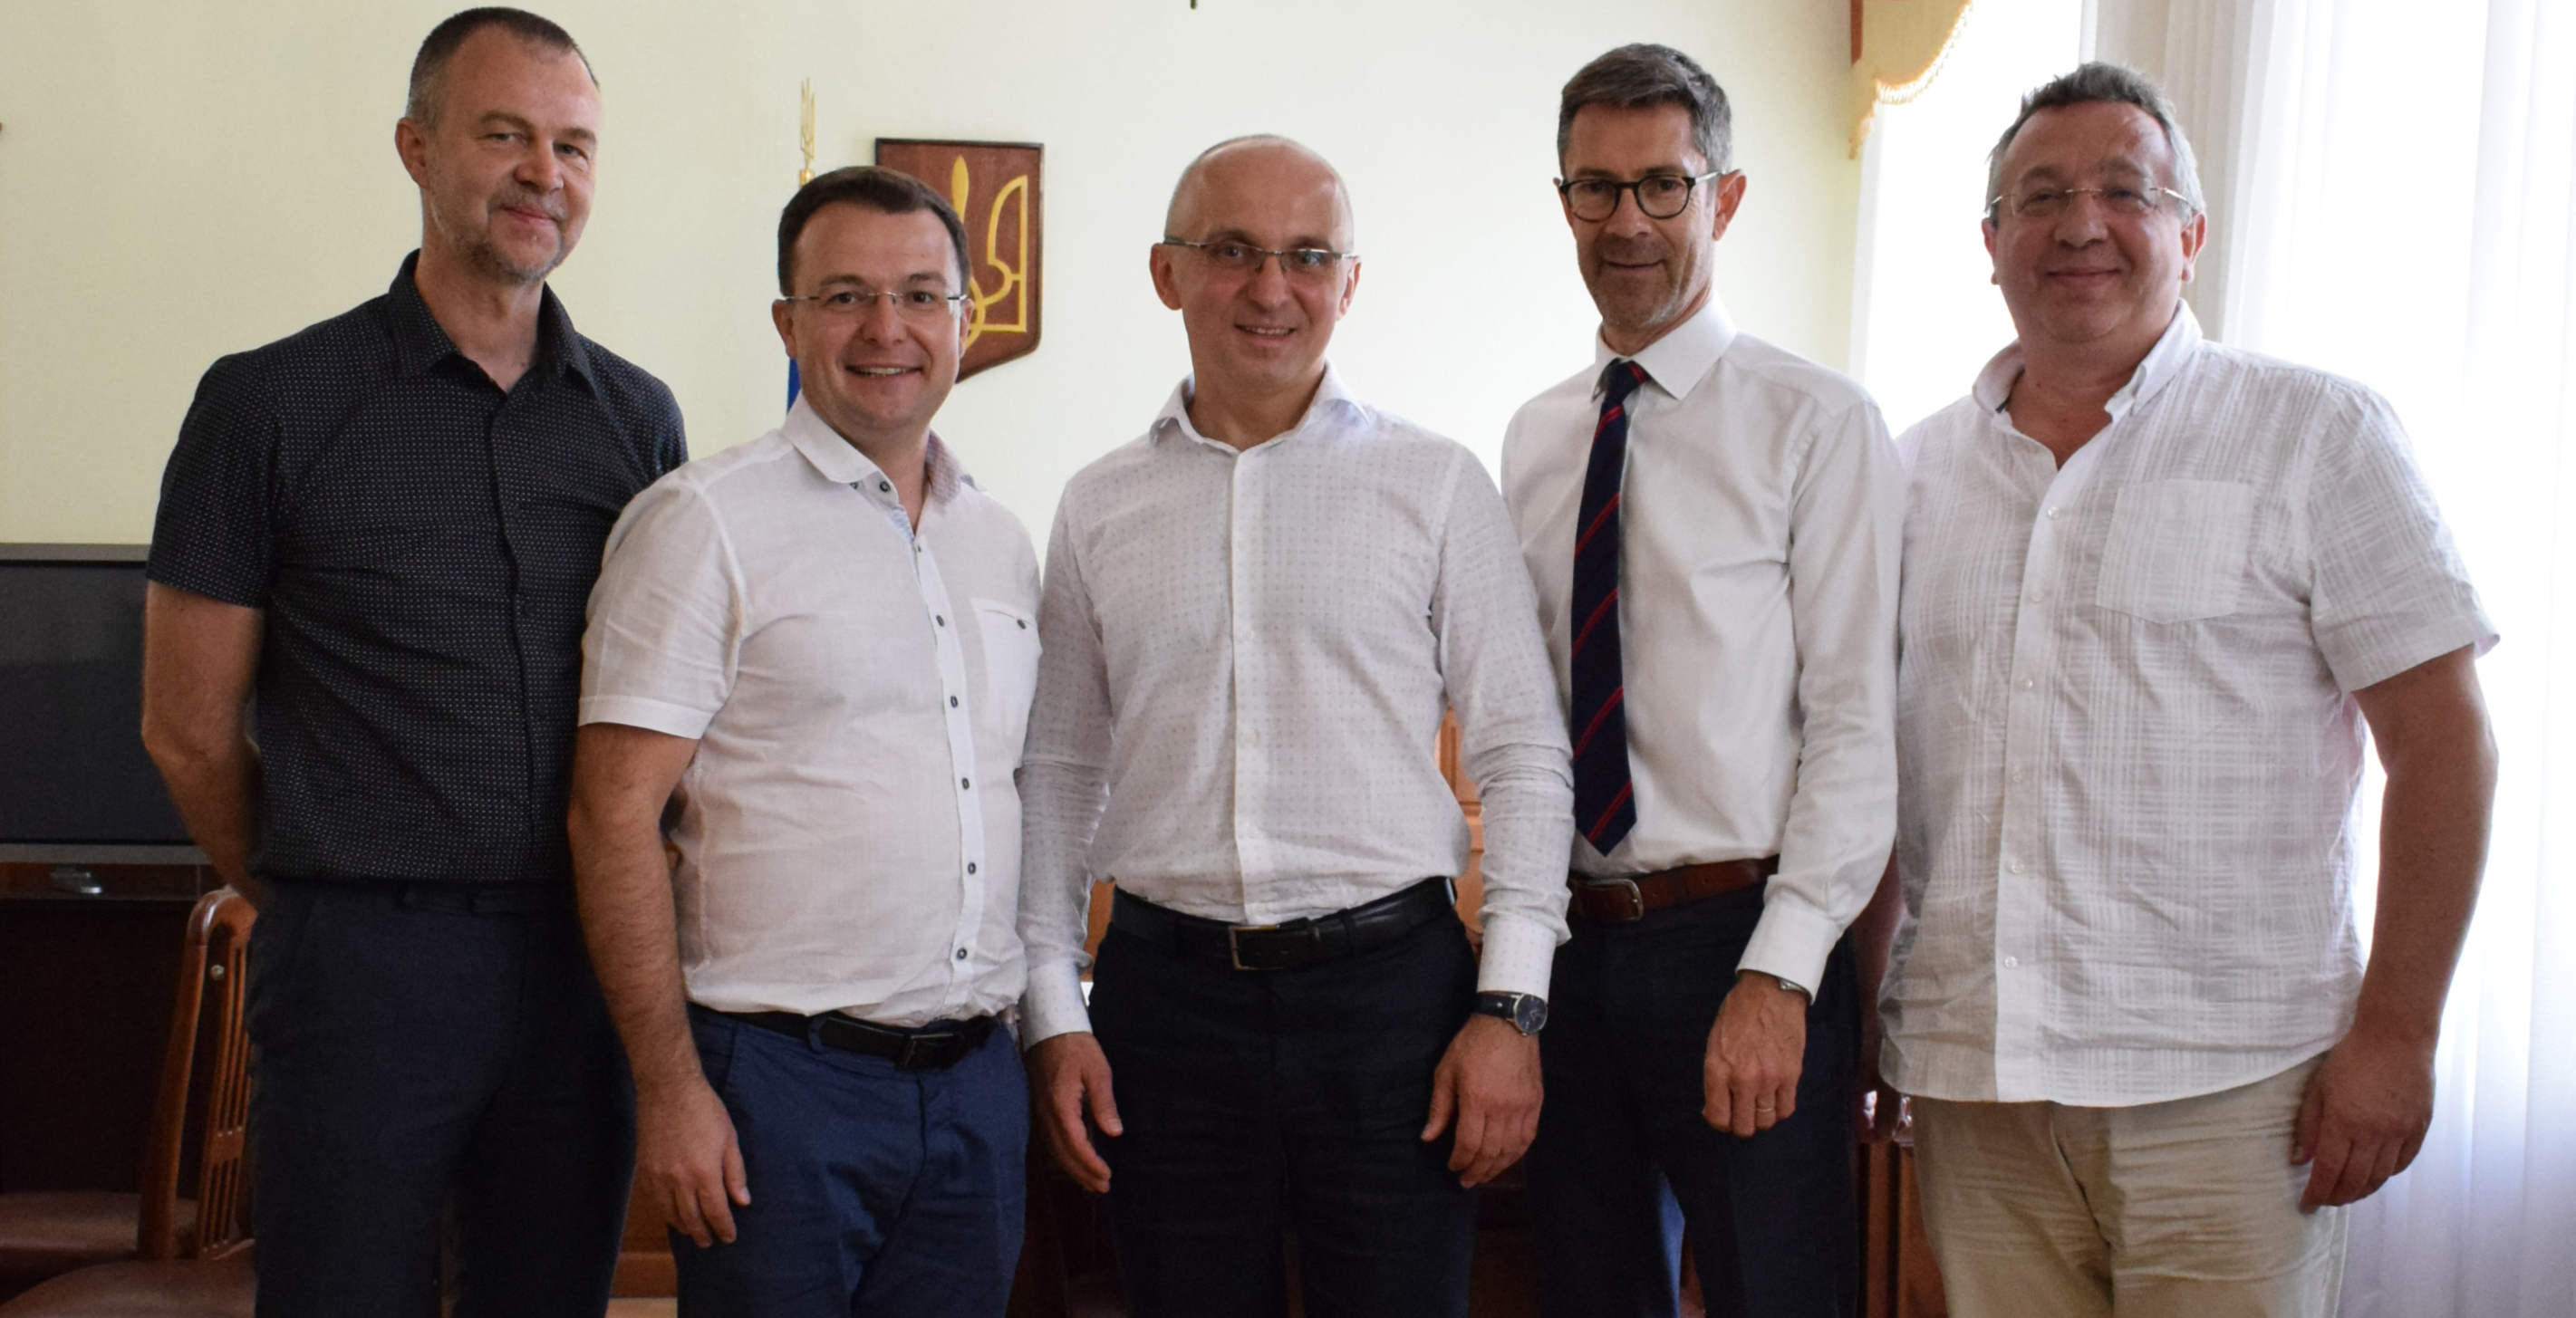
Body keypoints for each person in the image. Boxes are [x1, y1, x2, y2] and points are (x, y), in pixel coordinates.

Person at [1879, 63, 2498, 1317]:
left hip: (2235, 1089)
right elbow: (1879, 780)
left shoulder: (2315, 434)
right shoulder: (1907, 474)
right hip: (1974, 1084)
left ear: (2189, 234)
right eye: (2038, 196)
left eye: (2125, 190)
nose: (2079, 223)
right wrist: (1869, 1024)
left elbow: (2442, 746)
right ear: (1989, 242)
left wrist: (2397, 1033)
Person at [137, 10, 684, 1315]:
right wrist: (311, 899)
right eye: (504, 135)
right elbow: (186, 729)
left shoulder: (636, 419)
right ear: (416, 148)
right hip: (360, 966)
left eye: (573, 146)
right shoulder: (266, 404)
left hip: (583, 960)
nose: (543, 172)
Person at [1015, 135, 1575, 1317]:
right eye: (1232, 251)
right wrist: (1052, 1011)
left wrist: (1509, 1005)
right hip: (1164, 1010)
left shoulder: (1434, 484)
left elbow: (1522, 753)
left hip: (1394, 1005)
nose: (1271, 288)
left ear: (1348, 282)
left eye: (1307, 256)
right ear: (1167, 272)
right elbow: (1059, 769)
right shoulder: (1097, 504)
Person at [567, 166, 1038, 1317]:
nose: (886, 328)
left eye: (919, 295)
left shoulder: (999, 540)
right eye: (844, 297)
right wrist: (670, 1091)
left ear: (963, 319)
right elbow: (608, 815)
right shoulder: (702, 524)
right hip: (779, 1087)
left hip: (975, 1088)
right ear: (787, 323)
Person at [1498, 43, 1905, 1318]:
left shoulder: (1815, 420)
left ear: (1721, 198)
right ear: (1562, 200)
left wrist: (1780, 973)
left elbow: (1855, 723)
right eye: (1594, 187)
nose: (1625, 220)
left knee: (1775, 1292)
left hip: (1739, 938)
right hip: (1570, 947)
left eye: (1661, 185)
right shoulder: (1536, 434)